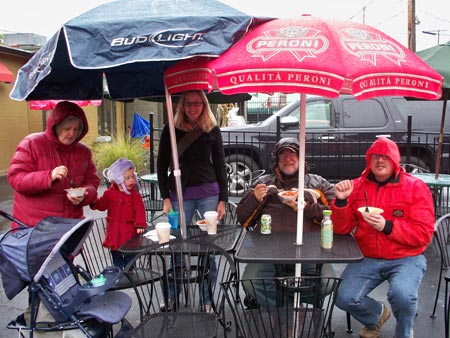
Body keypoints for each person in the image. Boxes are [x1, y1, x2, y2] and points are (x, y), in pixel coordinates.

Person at [331, 137, 434, 338]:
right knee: (343, 297)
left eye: (385, 157)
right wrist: (341, 202)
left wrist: (387, 226)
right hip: (368, 256)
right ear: (369, 161)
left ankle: (404, 332)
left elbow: (424, 233)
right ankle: (377, 316)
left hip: (406, 257)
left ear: (395, 160)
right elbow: (342, 229)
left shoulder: (415, 187)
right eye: (375, 156)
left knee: (402, 295)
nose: (380, 161)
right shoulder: (357, 186)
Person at [236, 137, 335, 307]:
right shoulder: (263, 183)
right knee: (250, 282)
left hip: (308, 250)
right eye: (283, 155)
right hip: (268, 250)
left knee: (327, 283)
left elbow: (335, 216)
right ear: (276, 161)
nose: (288, 159)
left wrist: (308, 208)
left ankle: (277, 302)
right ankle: (286, 313)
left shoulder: (318, 183)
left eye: (293, 155)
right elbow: (243, 220)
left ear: (301, 159)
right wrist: (254, 199)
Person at [157, 90, 228, 311]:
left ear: (204, 105)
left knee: (208, 247)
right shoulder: (171, 129)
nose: (193, 108)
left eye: (197, 103)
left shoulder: (212, 130)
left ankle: (207, 299)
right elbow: (160, 165)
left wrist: (223, 200)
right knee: (176, 245)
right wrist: (165, 198)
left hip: (209, 193)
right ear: (181, 106)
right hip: (180, 195)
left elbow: (220, 165)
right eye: (188, 104)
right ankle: (172, 295)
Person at [8, 101, 100, 228]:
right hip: (36, 229)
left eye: (76, 129)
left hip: (70, 227)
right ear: (56, 126)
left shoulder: (83, 152)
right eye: (67, 128)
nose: (72, 134)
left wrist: (85, 194)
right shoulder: (32, 143)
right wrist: (49, 176)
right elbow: (16, 178)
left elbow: (92, 181)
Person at [90, 158, 146, 269]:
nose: (132, 181)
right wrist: (93, 201)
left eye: (132, 177)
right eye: (127, 178)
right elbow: (102, 205)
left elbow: (140, 210)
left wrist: (140, 224)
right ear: (118, 180)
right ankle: (119, 269)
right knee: (115, 254)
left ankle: (129, 268)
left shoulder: (134, 195)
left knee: (131, 253)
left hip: (129, 232)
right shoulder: (109, 193)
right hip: (114, 232)